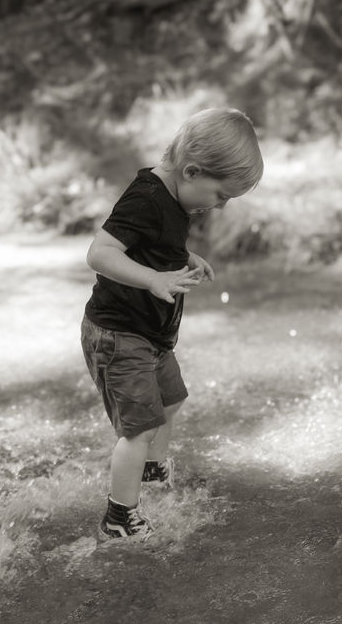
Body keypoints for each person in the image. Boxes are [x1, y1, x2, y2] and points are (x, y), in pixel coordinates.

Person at [81, 107, 263, 539]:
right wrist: (154, 278)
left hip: (150, 335)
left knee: (172, 399)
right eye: (221, 195)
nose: (220, 205)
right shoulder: (145, 197)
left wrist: (182, 258)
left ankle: (149, 472)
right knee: (138, 428)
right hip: (119, 333)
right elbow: (100, 253)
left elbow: (154, 244)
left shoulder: (174, 196)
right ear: (192, 170)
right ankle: (119, 517)